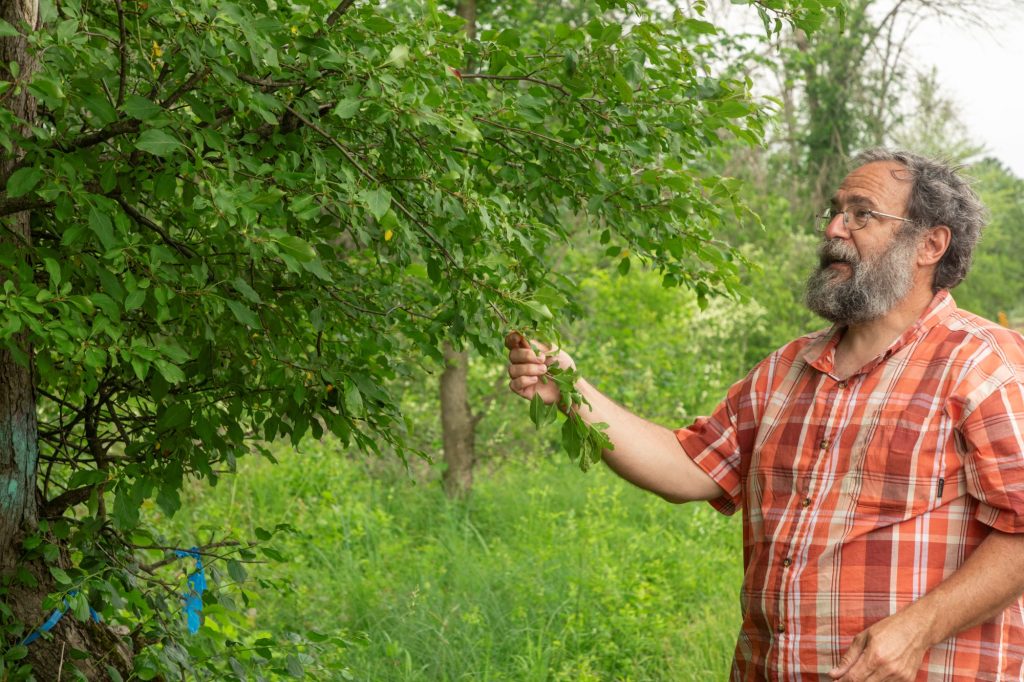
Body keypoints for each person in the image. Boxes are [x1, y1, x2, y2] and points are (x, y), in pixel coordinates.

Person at [505, 149, 1024, 681]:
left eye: (861, 214)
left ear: (930, 245)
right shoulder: (786, 368)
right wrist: (571, 389)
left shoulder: (983, 364)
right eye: (834, 211)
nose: (834, 229)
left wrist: (919, 628)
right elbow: (688, 469)